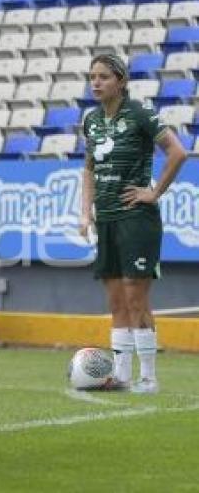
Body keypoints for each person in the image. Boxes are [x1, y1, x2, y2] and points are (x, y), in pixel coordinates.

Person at [79, 54, 187, 394]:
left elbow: (177, 152)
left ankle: (149, 378)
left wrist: (153, 192)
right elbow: (89, 169)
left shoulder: (139, 113)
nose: (96, 83)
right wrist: (85, 212)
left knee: (136, 298)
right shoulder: (91, 120)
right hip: (107, 219)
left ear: (121, 81)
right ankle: (123, 376)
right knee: (116, 302)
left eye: (104, 77)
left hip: (136, 219)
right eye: (92, 76)